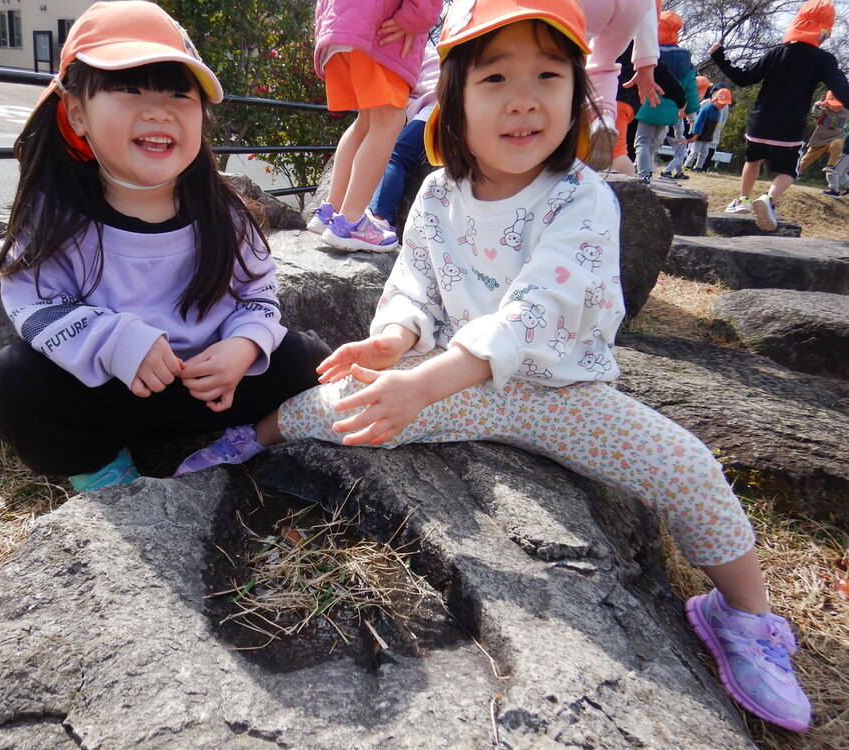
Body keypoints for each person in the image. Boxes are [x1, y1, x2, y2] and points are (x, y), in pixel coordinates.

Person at [176, 0, 812, 733]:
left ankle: (744, 616)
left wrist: (420, 383)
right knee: (339, 402)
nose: (523, 99)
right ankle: (245, 442)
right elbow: (412, 284)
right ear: (453, 98)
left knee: (691, 467)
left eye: (548, 74)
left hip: (562, 393)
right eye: (495, 77)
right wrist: (391, 342)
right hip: (451, 379)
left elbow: (534, 309)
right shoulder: (437, 196)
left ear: (578, 94)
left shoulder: (585, 199)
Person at [0, 1, 331, 492]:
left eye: (178, 94)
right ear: (77, 113)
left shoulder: (223, 213)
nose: (158, 110)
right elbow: (34, 305)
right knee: (13, 383)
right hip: (110, 393)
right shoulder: (56, 217)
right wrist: (116, 341)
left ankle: (242, 436)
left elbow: (259, 295)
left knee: (308, 360)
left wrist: (242, 346)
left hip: (213, 391)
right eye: (129, 88)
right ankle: (103, 467)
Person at [308, 0, 442, 252]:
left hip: (340, 31)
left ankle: (331, 210)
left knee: (365, 121)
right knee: (389, 122)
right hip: (382, 36)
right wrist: (414, 19)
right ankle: (350, 223)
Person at [713, 0, 849, 231]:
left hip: (759, 122)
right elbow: (842, 91)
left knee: (752, 159)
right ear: (825, 30)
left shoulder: (776, 52)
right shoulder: (823, 60)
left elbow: (745, 79)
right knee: (789, 169)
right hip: (788, 127)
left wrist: (719, 57)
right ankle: (768, 199)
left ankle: (743, 200)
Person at [363, 39, 441, 240]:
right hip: (450, 110)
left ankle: (378, 219)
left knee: (395, 156)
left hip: (435, 112)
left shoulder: (402, 51)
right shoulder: (425, 49)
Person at [579, 0, 662, 172]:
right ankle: (604, 118)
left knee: (555, 56)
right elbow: (649, 10)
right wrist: (646, 64)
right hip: (634, 7)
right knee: (603, 65)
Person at [633, 10, 699, 183]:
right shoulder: (686, 60)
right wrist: (692, 113)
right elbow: (691, 89)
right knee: (654, 142)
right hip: (671, 109)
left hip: (649, 104)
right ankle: (643, 169)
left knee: (642, 142)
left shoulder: (650, 53)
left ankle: (642, 174)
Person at [611, 41, 687, 176]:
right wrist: (681, 100)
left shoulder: (599, 33)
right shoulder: (643, 42)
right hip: (624, 101)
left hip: (596, 94)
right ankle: (636, 185)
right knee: (620, 153)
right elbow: (660, 72)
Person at [679, 87, 732, 174]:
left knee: (704, 153)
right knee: (694, 151)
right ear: (715, 100)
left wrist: (710, 136)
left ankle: (699, 167)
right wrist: (696, 134)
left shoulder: (718, 112)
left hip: (707, 137)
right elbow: (699, 121)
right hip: (699, 135)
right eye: (721, 103)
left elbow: (715, 126)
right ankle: (687, 165)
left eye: (724, 104)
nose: (722, 106)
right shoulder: (707, 108)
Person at [798, 90, 848, 174]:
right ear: (827, 102)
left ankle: (830, 165)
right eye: (834, 105)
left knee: (838, 144)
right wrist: (816, 106)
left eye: (839, 105)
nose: (837, 107)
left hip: (835, 138)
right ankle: (794, 173)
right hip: (819, 140)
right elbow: (815, 115)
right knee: (805, 161)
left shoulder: (846, 112)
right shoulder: (823, 111)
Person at [821, 122, 849, 197]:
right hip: (846, 154)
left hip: (846, 153)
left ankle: (834, 191)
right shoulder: (846, 124)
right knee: (842, 176)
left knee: (831, 171)